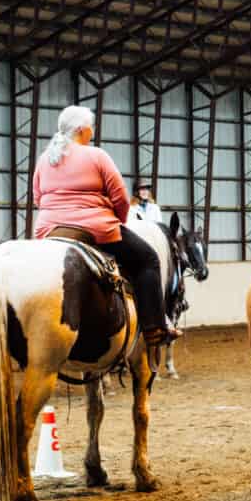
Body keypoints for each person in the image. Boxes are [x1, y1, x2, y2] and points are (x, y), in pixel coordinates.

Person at [33, 106, 178, 346]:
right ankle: (154, 327)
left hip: (50, 231)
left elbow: (38, 198)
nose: (93, 130)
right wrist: (117, 221)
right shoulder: (96, 155)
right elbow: (120, 198)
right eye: (91, 126)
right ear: (82, 130)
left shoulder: (44, 160)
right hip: (95, 229)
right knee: (148, 259)